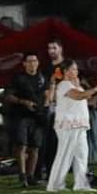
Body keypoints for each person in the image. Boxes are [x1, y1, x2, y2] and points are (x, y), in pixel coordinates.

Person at [47, 61, 97, 192]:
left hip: (79, 125)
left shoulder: (76, 86)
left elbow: (88, 101)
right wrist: (96, 88)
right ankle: (55, 185)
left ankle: (81, 184)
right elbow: (78, 96)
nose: (76, 72)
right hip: (68, 125)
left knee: (82, 155)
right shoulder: (63, 85)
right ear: (66, 71)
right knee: (64, 155)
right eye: (73, 69)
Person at [2, 53, 47, 187]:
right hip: (21, 116)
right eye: (30, 61)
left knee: (35, 147)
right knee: (21, 145)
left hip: (38, 117)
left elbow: (47, 94)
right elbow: (8, 96)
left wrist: (46, 103)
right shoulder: (18, 78)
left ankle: (31, 176)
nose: (33, 63)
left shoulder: (42, 78)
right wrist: (23, 102)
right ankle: (22, 176)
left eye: (35, 60)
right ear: (24, 64)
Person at [40, 39, 71, 179]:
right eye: (49, 48)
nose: (51, 50)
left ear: (61, 49)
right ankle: (49, 169)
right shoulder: (45, 68)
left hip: (67, 106)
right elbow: (44, 87)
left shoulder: (68, 65)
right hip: (52, 106)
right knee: (49, 139)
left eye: (54, 47)